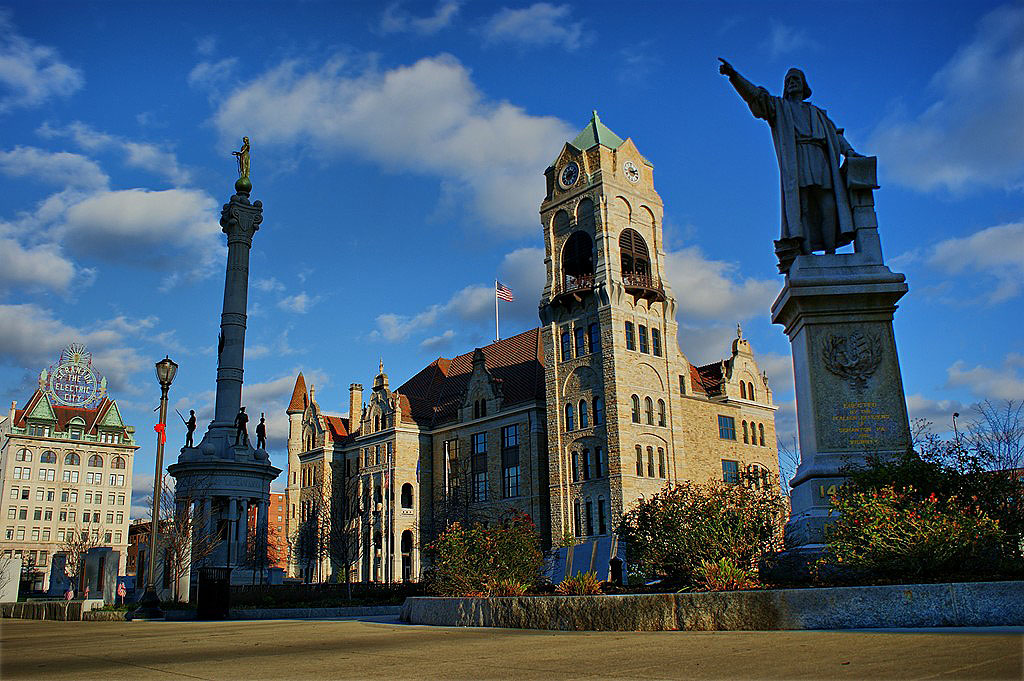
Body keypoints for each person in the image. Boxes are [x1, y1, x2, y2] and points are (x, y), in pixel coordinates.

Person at [719, 59, 863, 255]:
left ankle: (831, 253)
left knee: (828, 207)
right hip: (797, 161)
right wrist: (734, 76)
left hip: (819, 158)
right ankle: (807, 254)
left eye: (795, 79)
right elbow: (754, 97)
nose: (791, 82)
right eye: (788, 80)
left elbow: (836, 135)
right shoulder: (779, 107)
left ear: (804, 85)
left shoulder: (818, 113)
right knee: (800, 206)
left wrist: (849, 151)